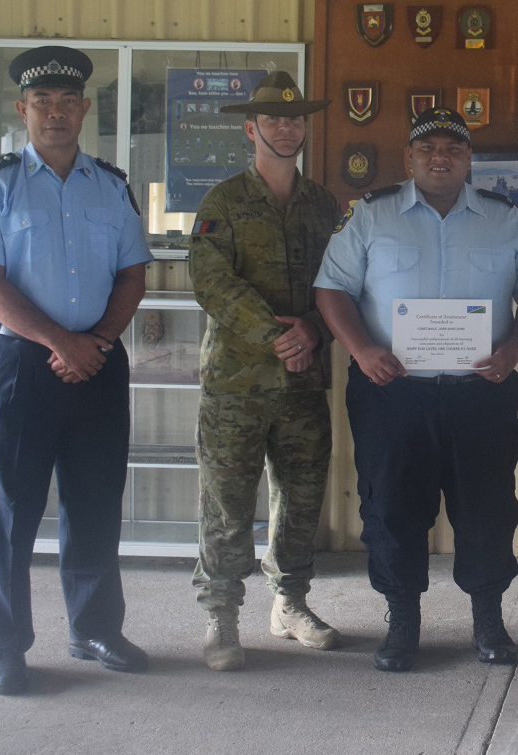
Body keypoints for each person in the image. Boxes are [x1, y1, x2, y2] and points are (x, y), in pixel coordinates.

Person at [314, 107, 518, 672]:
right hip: (392, 391)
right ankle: (402, 622)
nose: (440, 158)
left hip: (480, 392)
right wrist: (361, 349)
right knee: (392, 505)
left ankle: (489, 620)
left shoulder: (504, 220)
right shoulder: (371, 217)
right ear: (409, 159)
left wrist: (514, 351)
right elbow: (331, 289)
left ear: (470, 160)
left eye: (453, 149)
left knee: (487, 507)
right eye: (428, 149)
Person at [0, 45, 153, 695]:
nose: (57, 112)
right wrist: (58, 341)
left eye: (69, 100)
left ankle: (95, 627)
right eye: (43, 101)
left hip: (98, 359)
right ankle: (4, 643)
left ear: (84, 108)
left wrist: (93, 340)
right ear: (24, 109)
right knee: (10, 510)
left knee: (95, 501)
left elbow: (132, 273)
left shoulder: (111, 184)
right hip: (23, 363)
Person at [187, 72, 340, 671]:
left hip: (304, 384)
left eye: (296, 119)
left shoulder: (324, 205)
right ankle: (221, 617)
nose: (286, 127)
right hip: (236, 386)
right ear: (251, 128)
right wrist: (282, 335)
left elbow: (344, 287)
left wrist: (317, 331)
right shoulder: (222, 202)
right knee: (226, 506)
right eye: (274, 119)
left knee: (300, 502)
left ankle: (290, 603)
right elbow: (212, 282)